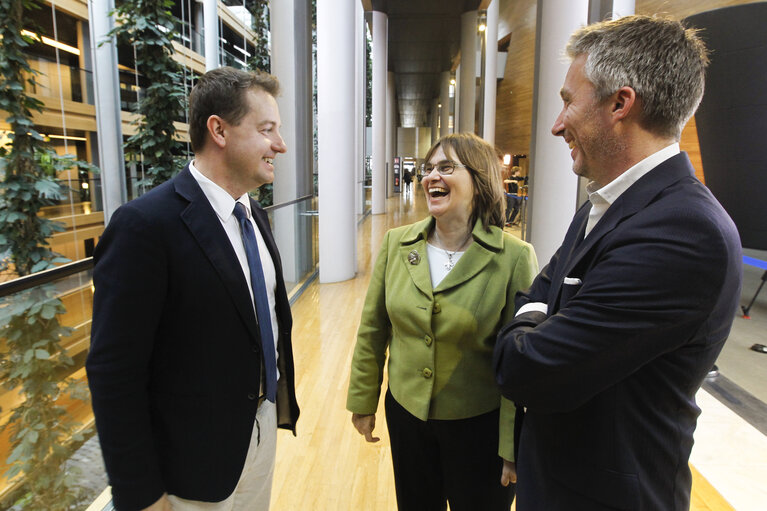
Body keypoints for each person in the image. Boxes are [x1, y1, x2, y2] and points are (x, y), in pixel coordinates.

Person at [493, 15, 742, 511]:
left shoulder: (683, 233)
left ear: (620, 103)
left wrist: (526, 324)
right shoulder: (604, 206)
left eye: (568, 101)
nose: (556, 124)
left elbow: (525, 368)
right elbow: (538, 298)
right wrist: (536, 315)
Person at [86, 66, 299, 511]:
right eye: (267, 130)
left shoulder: (254, 215)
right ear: (218, 130)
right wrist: (140, 493)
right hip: (190, 470)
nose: (280, 144)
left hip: (257, 435)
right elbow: (113, 372)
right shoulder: (145, 226)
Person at [347, 132, 538, 510]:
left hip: (478, 427)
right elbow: (373, 328)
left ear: (479, 180)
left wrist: (510, 443)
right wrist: (363, 400)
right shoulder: (396, 244)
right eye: (428, 168)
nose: (431, 176)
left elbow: (518, 363)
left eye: (446, 168)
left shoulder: (514, 257)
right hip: (407, 417)